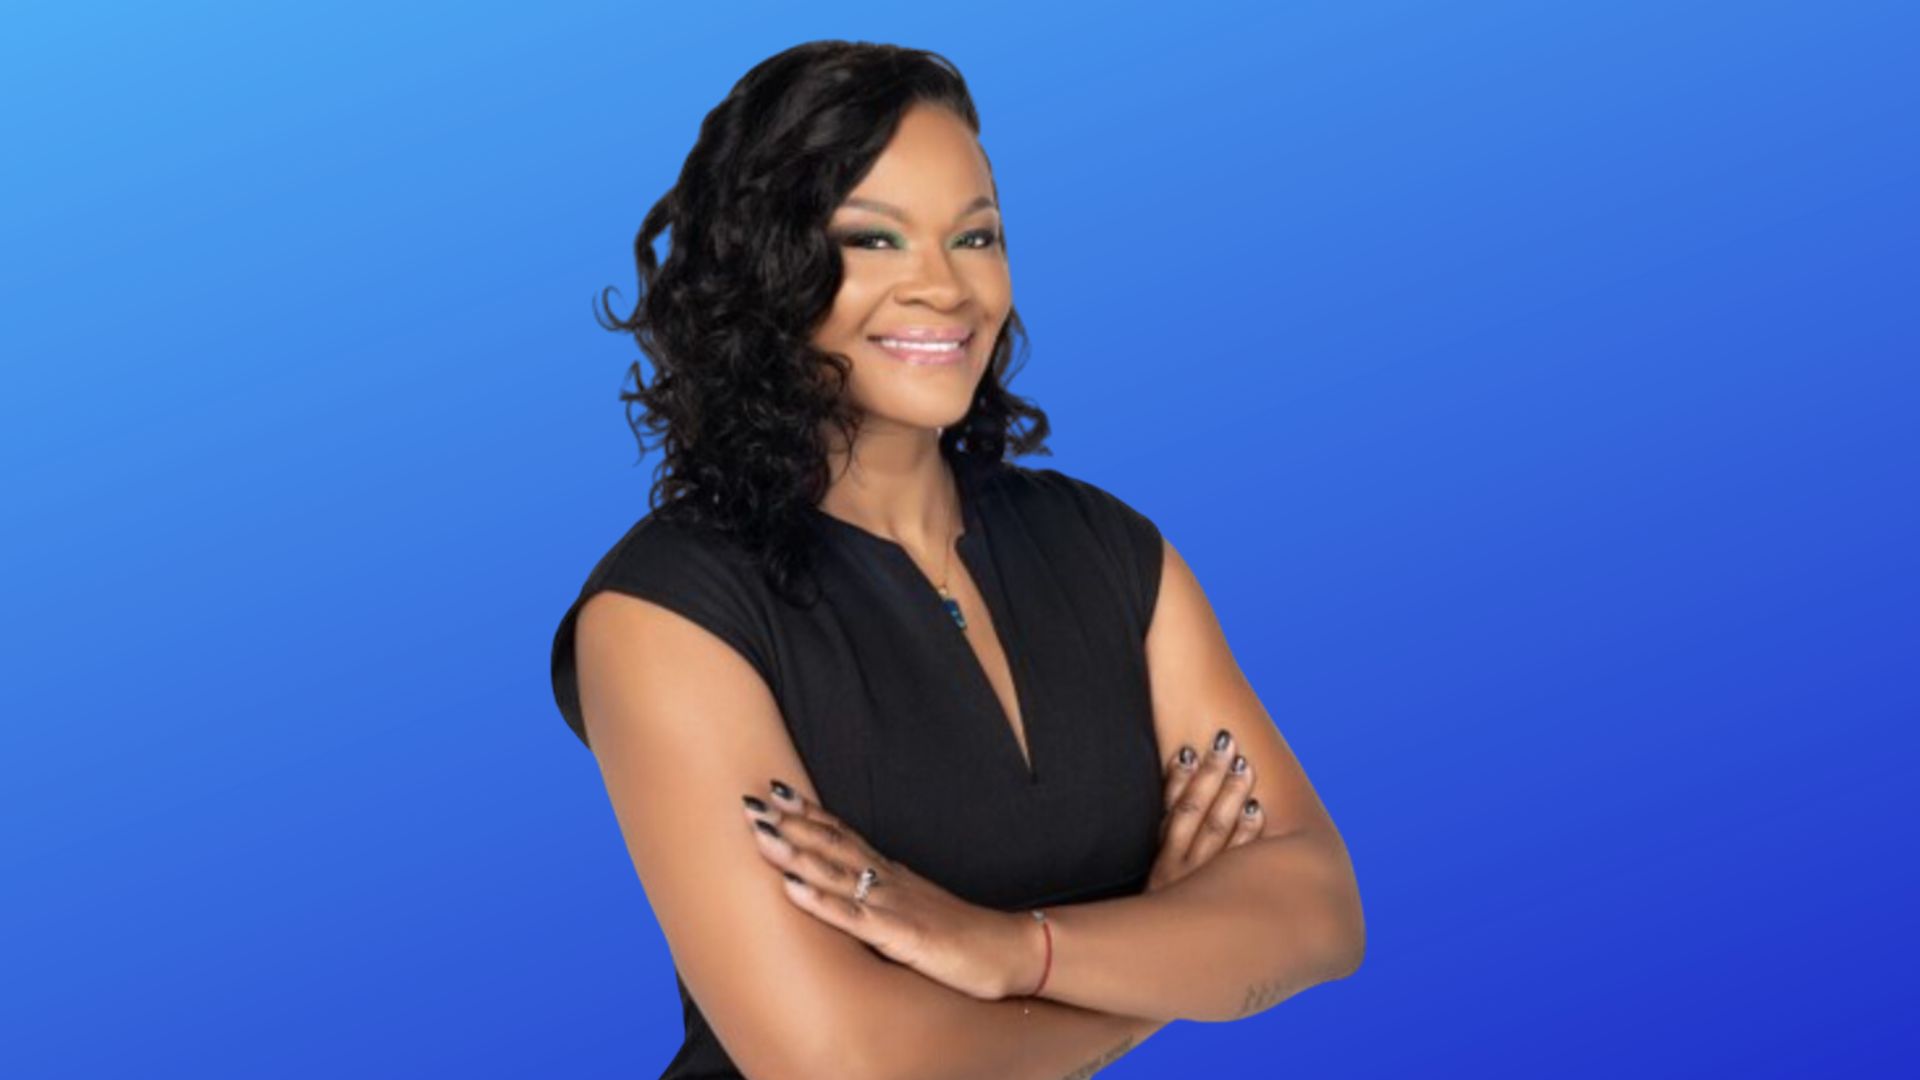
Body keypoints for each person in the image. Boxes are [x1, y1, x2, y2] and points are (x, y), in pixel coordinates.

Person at [549, 40, 1364, 1080]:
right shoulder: (666, 614)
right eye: (874, 238)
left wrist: (1012, 951)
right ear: (763, 269)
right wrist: (1163, 968)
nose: (944, 286)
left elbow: (1321, 908)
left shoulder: (1113, 553)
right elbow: (838, 1064)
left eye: (975, 235)